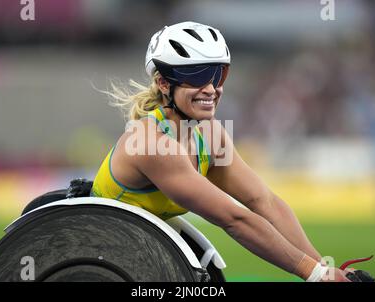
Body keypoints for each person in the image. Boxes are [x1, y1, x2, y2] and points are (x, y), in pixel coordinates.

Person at [91, 21, 350, 282]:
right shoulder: (152, 144)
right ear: (164, 84)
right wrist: (315, 275)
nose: (211, 89)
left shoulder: (210, 135)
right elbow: (235, 219)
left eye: (218, 75)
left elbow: (263, 202)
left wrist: (324, 268)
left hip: (135, 254)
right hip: (92, 261)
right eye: (196, 76)